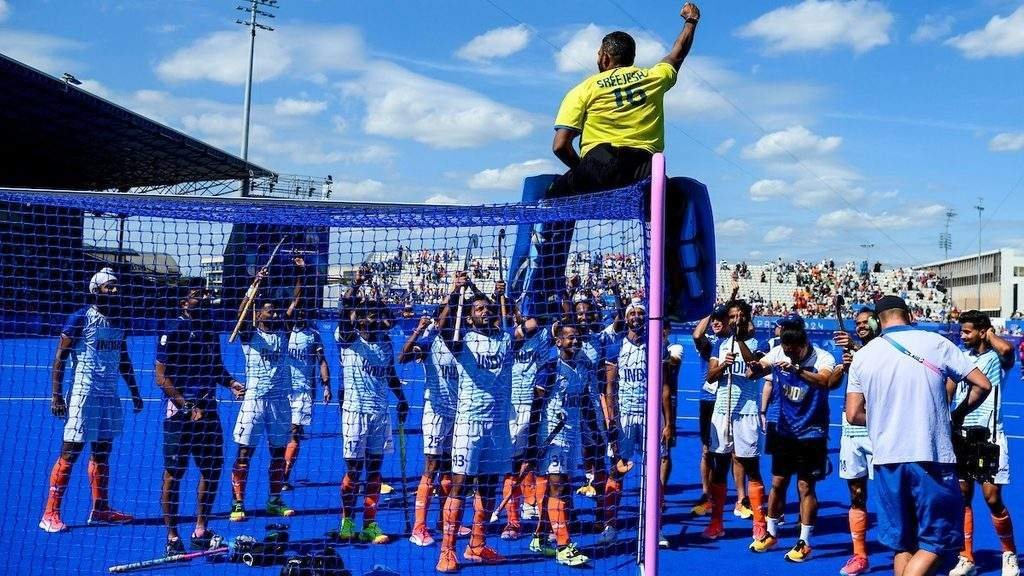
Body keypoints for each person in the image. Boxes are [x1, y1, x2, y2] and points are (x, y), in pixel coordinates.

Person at [533, 3, 701, 313]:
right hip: (646, 171)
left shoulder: (584, 89)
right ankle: (672, 293)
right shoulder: (653, 77)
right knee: (670, 215)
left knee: (555, 198)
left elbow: (560, 145)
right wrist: (691, 23)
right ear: (631, 58)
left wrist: (582, 172)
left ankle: (546, 288)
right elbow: (677, 54)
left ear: (604, 57)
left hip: (601, 163)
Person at [846, 296, 992, 576]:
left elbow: (853, 414)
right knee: (936, 543)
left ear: (877, 321)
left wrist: (885, 419)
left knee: (903, 545)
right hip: (931, 453)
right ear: (910, 314)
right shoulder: (935, 342)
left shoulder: (863, 356)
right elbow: (982, 384)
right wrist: (957, 414)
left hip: (887, 457)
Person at [40, 267, 144, 533]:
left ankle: (100, 509)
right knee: (71, 452)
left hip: (109, 396)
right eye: (109, 285)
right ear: (96, 290)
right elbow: (60, 358)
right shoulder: (80, 318)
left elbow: (123, 359)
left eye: (116, 285)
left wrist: (134, 391)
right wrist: (56, 395)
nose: (115, 289)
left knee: (102, 452)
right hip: (83, 395)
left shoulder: (121, 320)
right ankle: (50, 513)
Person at [156, 285, 246, 554]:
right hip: (180, 415)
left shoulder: (210, 329)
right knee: (174, 473)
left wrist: (230, 382)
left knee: (212, 470)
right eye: (198, 295)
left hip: (207, 411)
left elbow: (215, 367)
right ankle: (172, 537)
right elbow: (161, 377)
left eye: (206, 295)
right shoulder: (172, 331)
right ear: (185, 300)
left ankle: (200, 530)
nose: (205, 298)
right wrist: (185, 406)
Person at [436, 273, 513, 573]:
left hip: (498, 425)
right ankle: (447, 550)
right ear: (468, 318)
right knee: (460, 485)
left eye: (488, 308)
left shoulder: (506, 338)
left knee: (489, 486)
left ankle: (477, 545)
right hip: (469, 423)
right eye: (478, 309)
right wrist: (456, 293)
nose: (485, 311)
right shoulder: (461, 341)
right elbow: (442, 327)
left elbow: (533, 325)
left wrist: (501, 295)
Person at [745, 314, 836, 562]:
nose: (789, 355)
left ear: (803, 345)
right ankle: (771, 533)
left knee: (805, 486)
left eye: (793, 352)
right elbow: (756, 371)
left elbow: (825, 380)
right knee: (777, 483)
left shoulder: (823, 357)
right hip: (785, 431)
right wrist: (753, 365)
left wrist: (797, 369)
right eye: (786, 351)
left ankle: (805, 541)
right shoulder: (779, 353)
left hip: (812, 432)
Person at [335, 267, 409, 544]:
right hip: (355, 413)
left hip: (380, 413)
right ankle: (346, 521)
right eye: (368, 315)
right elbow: (344, 313)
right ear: (360, 319)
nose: (373, 320)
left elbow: (390, 375)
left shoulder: (385, 343)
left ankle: (370, 523)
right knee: (354, 471)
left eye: (376, 315)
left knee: (375, 471)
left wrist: (401, 400)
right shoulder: (349, 340)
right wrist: (355, 286)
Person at [229, 257, 304, 522]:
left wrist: (299, 275)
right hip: (254, 400)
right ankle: (238, 503)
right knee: (244, 453)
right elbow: (241, 313)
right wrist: (254, 286)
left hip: (279, 402)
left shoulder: (283, 331)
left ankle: (274, 500)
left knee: (277, 452)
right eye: (268, 311)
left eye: (275, 311)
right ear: (259, 312)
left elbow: (296, 303)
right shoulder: (250, 336)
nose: (273, 315)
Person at [948, 311, 1019, 576]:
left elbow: (1008, 349)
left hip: (990, 436)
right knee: (963, 497)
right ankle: (967, 557)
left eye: (967, 331)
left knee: (992, 498)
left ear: (981, 331)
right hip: (961, 434)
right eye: (961, 331)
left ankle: (1009, 554)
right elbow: (949, 386)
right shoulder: (959, 356)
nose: (962, 336)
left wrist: (989, 333)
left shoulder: (998, 358)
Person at [599, 301, 671, 546]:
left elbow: (664, 387)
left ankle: (655, 527)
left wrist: (668, 421)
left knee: (653, 472)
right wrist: (611, 417)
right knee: (616, 469)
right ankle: (610, 526)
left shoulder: (657, 346)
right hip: (625, 417)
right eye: (632, 313)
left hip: (650, 416)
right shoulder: (616, 345)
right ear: (626, 318)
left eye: (641, 313)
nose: (637, 317)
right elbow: (610, 387)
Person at [529, 323, 598, 566]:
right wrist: (531, 443)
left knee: (560, 488)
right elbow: (536, 405)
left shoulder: (582, 368)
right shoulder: (550, 367)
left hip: (572, 436)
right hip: (551, 437)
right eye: (569, 338)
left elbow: (586, 404)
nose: (575, 341)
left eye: (577, 338)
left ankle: (539, 537)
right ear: (558, 342)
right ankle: (563, 546)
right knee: (557, 488)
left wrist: (595, 433)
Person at [702, 299, 767, 543]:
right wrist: (722, 367)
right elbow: (710, 376)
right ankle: (716, 522)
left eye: (740, 316)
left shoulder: (758, 343)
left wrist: (739, 343)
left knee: (751, 467)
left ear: (747, 318)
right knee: (718, 468)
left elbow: (755, 370)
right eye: (733, 316)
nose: (736, 320)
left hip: (747, 411)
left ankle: (759, 524)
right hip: (722, 411)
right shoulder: (720, 344)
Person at [399, 311, 457, 547]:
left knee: (451, 469)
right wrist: (419, 330)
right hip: (436, 413)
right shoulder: (429, 342)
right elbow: (402, 357)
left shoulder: (465, 342)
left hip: (458, 413)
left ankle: (444, 522)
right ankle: (419, 527)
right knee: (431, 467)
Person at [831, 308, 881, 576]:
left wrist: (854, 349)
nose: (861, 326)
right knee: (856, 495)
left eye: (866, 322)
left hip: (879, 430)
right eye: (857, 323)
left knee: (889, 494)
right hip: (852, 431)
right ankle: (860, 554)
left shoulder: (884, 349)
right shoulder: (855, 353)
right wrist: (844, 366)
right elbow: (834, 384)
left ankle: (904, 548)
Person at [282, 306, 331, 491]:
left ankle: (284, 476)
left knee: (295, 432)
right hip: (283, 390)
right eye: (297, 312)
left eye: (303, 312)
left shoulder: (313, 335)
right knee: (281, 437)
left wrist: (327, 386)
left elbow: (322, 361)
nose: (300, 315)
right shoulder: (284, 332)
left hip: (304, 391)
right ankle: (278, 472)